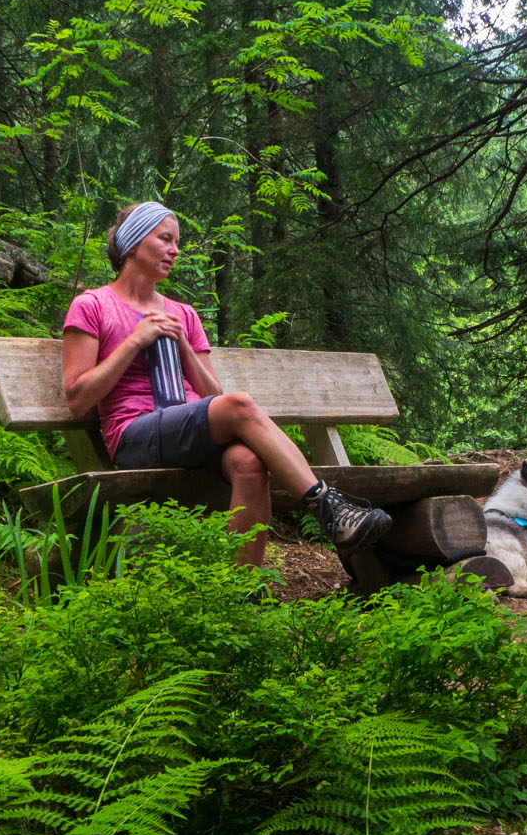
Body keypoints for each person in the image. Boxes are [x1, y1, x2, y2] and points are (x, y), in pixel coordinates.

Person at [60, 200, 391, 567]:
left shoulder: (183, 313)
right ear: (134, 243)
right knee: (240, 405)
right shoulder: (93, 305)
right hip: (133, 435)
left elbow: (209, 395)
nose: (175, 250)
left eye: (177, 243)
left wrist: (182, 341)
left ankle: (241, 591)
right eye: (165, 239)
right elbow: (77, 397)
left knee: (248, 461)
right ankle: (328, 508)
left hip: (185, 430)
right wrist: (135, 341)